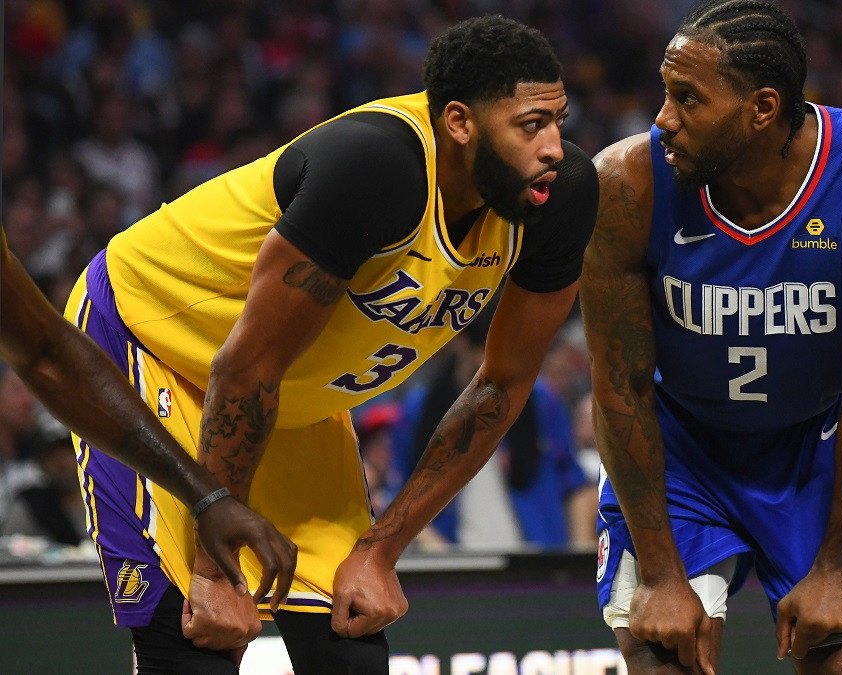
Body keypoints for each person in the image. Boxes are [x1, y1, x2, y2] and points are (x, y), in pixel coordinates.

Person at [61, 15, 596, 674]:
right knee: (198, 639)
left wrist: (381, 548)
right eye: (529, 125)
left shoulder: (559, 196)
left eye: (557, 122)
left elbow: (502, 385)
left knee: (351, 649)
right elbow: (246, 362)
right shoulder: (377, 166)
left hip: (277, 392)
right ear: (459, 123)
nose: (552, 146)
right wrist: (215, 563)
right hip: (150, 341)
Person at [580, 1, 842, 672]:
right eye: (665, 92)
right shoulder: (624, 184)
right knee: (662, 651)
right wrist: (661, 572)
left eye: (687, 98)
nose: (662, 117)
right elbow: (620, 385)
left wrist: (836, 565)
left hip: (815, 452)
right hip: (681, 449)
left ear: (762, 108)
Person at [1, 233, 296, 597]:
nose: (62, 461)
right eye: (55, 455)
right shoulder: (30, 498)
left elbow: (47, 354)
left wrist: (208, 497)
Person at [392, 306, 595, 551]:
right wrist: (440, 555)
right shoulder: (420, 410)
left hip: (537, 561)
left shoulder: (540, 400)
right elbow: (400, 499)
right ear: (461, 343)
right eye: (487, 359)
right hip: (458, 567)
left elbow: (575, 485)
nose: (497, 373)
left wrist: (576, 557)